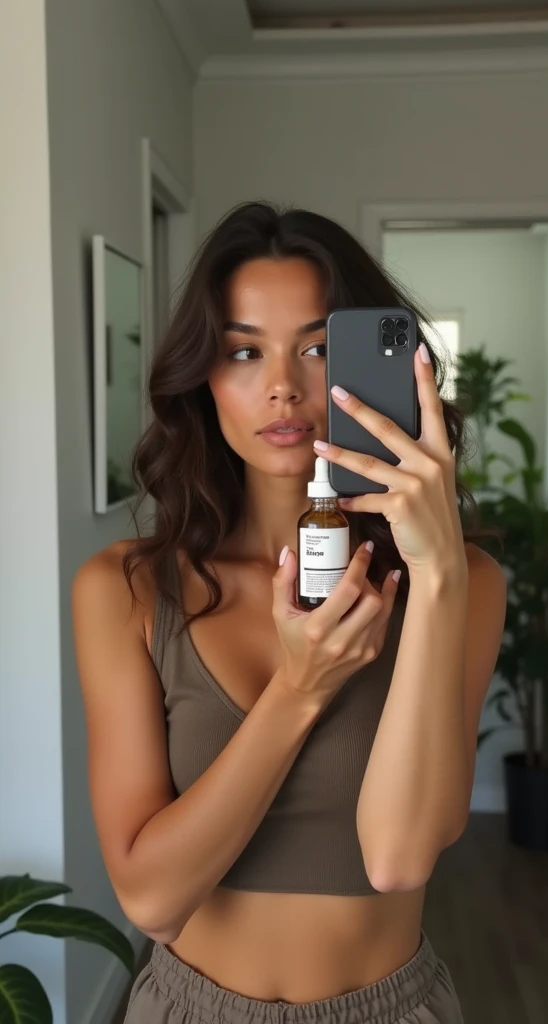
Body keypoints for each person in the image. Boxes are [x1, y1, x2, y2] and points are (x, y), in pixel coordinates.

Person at [72, 201, 506, 1024]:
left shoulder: (463, 583)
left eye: (317, 347)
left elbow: (399, 857)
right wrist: (300, 689)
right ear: (202, 376)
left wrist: (438, 569)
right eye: (244, 350)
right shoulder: (124, 590)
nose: (284, 386)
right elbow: (153, 902)